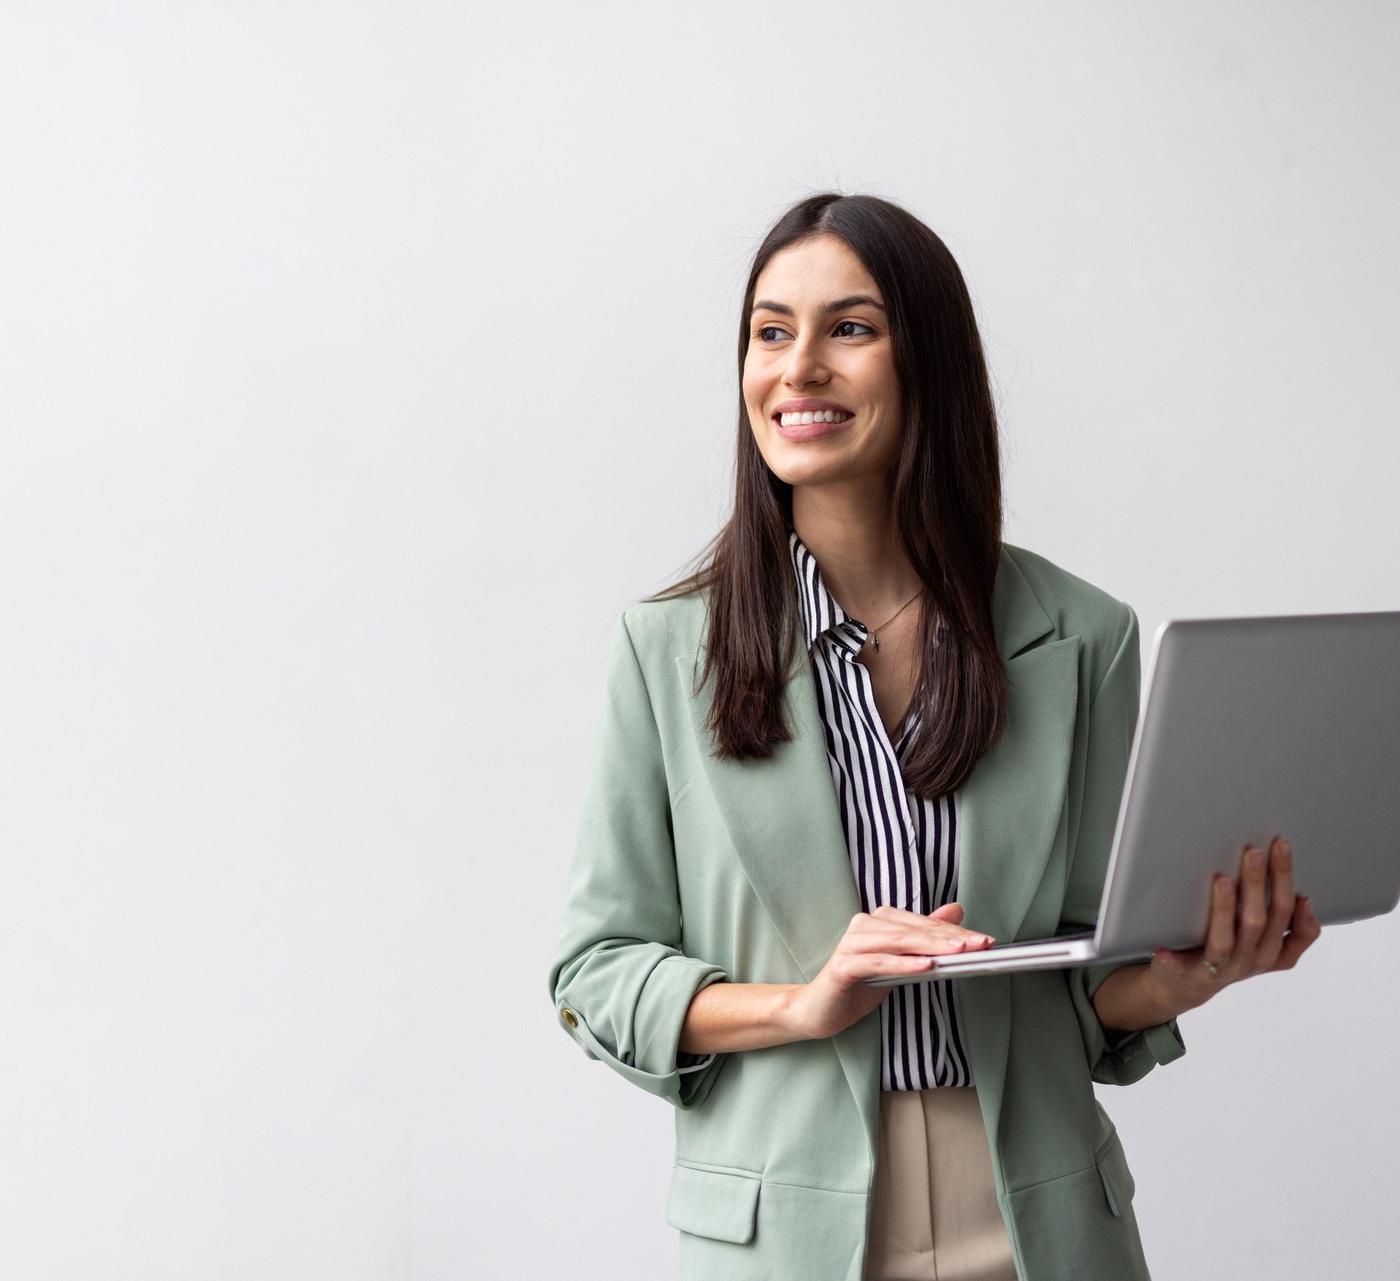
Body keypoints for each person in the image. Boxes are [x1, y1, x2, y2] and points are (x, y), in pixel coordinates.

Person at [546, 191, 1322, 1281]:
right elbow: (596, 971)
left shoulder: (1082, 637)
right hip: (784, 1228)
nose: (799, 366)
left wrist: (1186, 977)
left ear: (933, 369)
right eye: (772, 333)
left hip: (1042, 1217)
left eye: (849, 329)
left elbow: (1089, 974)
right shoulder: (667, 651)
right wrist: (801, 1002)